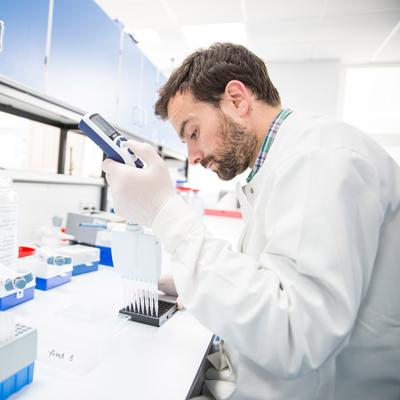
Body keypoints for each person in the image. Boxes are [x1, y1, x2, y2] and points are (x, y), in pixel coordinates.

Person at [102, 43, 400, 400]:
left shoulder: (320, 159)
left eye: (193, 132)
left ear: (237, 99)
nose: (193, 157)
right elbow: (275, 275)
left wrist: (164, 212)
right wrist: (191, 278)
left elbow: (295, 333)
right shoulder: (285, 159)